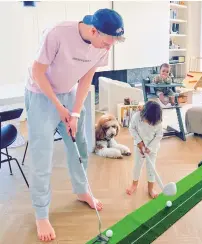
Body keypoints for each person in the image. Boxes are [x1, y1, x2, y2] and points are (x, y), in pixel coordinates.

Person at [24, 8, 125, 242]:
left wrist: (76, 113)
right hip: (41, 95)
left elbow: (87, 76)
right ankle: (41, 213)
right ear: (93, 31)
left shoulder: (102, 46)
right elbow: (37, 72)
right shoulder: (58, 34)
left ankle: (82, 191)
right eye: (107, 42)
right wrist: (59, 108)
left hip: (69, 94)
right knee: (43, 156)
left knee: (80, 146)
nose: (109, 47)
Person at [126, 101, 163, 199]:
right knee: (137, 166)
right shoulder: (137, 116)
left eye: (152, 122)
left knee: (151, 168)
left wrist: (149, 148)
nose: (149, 123)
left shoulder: (158, 122)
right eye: (147, 120)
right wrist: (139, 142)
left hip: (152, 148)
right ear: (143, 113)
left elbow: (159, 136)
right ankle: (134, 184)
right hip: (138, 146)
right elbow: (132, 128)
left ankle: (150, 189)